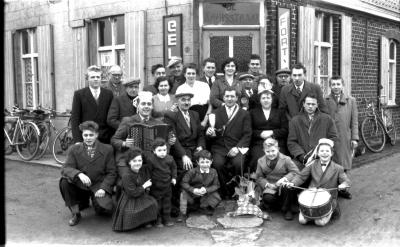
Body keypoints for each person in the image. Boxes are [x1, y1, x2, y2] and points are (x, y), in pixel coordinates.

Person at [59, 121, 116, 226]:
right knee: (64, 182)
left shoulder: (107, 149)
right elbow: (65, 168)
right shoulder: (74, 149)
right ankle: (76, 213)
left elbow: (112, 173)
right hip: (80, 185)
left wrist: (104, 188)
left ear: (96, 135)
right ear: (82, 135)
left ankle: (95, 201)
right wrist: (79, 174)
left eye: (91, 135)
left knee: (104, 210)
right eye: (85, 135)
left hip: (98, 186)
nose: (88, 138)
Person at [284, 138, 351, 226]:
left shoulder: (338, 168)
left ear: (332, 153)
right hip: (312, 195)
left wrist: (343, 185)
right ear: (318, 153)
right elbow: (301, 177)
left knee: (319, 222)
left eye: (327, 151)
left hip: (328, 197)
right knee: (302, 221)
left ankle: (333, 209)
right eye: (322, 151)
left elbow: (346, 181)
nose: (324, 153)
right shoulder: (312, 164)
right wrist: (293, 183)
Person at [164, 87, 206, 212]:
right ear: (177, 101)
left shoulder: (194, 114)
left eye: (188, 100)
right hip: (180, 150)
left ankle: (196, 203)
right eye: (183, 100)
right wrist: (183, 155)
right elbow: (173, 138)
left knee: (204, 168)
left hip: (195, 149)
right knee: (184, 170)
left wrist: (200, 146)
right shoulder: (171, 115)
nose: (186, 102)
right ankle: (176, 205)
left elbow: (200, 134)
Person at [206, 87, 252, 198]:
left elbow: (247, 134)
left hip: (237, 146)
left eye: (232, 96)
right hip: (220, 147)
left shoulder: (244, 114)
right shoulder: (215, 113)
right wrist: (209, 133)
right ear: (223, 97)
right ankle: (225, 191)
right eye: (227, 96)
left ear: (237, 98)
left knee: (238, 163)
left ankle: (237, 191)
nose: (229, 99)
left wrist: (237, 148)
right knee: (217, 164)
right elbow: (210, 135)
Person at [110, 91, 175, 167]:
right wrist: (124, 143)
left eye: (149, 104)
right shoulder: (128, 121)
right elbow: (114, 140)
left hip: (151, 161)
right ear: (138, 105)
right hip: (130, 160)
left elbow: (164, 146)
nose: (146, 106)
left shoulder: (159, 123)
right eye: (143, 104)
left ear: (152, 106)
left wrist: (169, 143)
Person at [326, 76, 359, 199]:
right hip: (330, 138)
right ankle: (333, 189)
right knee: (331, 163)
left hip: (345, 137)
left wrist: (354, 138)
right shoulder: (325, 100)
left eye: (338, 84)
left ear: (342, 85)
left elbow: (354, 121)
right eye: (333, 84)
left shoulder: (351, 101)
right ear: (330, 86)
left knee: (344, 164)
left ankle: (343, 189)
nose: (336, 87)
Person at [287, 94, 338, 170]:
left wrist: (320, 153)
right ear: (304, 104)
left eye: (313, 104)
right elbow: (292, 142)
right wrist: (302, 156)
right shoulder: (295, 121)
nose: (310, 106)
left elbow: (333, 138)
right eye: (308, 104)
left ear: (317, 105)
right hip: (301, 162)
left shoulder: (327, 119)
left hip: (322, 160)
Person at [112, 148, 158, 231]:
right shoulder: (126, 175)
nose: (137, 163)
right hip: (130, 199)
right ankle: (137, 223)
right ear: (129, 162)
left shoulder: (141, 171)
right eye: (134, 161)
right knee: (131, 212)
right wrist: (144, 186)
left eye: (139, 160)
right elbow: (132, 193)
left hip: (140, 195)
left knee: (153, 203)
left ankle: (144, 221)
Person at [255, 138, 299, 220]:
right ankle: (276, 205)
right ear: (264, 150)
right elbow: (259, 177)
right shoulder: (260, 161)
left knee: (287, 188)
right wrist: (267, 184)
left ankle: (288, 209)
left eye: (273, 151)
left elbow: (295, 172)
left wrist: (284, 179)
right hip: (271, 185)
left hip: (283, 184)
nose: (271, 154)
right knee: (268, 198)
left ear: (278, 149)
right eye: (268, 151)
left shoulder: (286, 159)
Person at [71, 65, 114, 144]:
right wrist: (77, 140)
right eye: (92, 77)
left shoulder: (108, 94)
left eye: (98, 77)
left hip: (105, 138)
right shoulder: (79, 94)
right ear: (87, 79)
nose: (96, 79)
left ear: (101, 78)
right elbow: (75, 119)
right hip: (87, 137)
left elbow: (111, 116)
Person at [249, 89, 288, 172]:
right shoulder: (252, 113)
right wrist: (260, 134)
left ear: (272, 99)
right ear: (259, 100)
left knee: (280, 159)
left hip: (277, 142)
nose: (266, 100)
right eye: (263, 98)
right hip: (259, 143)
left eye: (268, 98)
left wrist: (272, 132)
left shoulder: (280, 113)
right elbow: (249, 130)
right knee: (257, 158)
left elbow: (285, 130)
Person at [177, 150, 221, 222]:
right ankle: (182, 213)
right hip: (193, 194)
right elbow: (184, 183)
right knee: (183, 194)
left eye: (207, 162)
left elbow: (216, 185)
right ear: (197, 162)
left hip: (205, 194)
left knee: (215, 195)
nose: (205, 164)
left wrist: (206, 189)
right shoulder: (192, 171)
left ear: (211, 162)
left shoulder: (213, 171)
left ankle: (204, 207)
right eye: (202, 162)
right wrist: (193, 190)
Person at [146, 138, 177, 227]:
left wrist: (174, 178)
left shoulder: (170, 159)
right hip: (156, 186)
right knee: (157, 203)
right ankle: (157, 220)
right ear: (154, 151)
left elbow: (174, 168)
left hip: (167, 185)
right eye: (159, 150)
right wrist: (149, 183)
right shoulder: (151, 160)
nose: (163, 152)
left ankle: (166, 218)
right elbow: (149, 172)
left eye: (164, 150)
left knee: (167, 202)